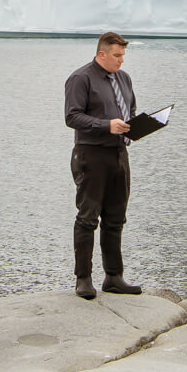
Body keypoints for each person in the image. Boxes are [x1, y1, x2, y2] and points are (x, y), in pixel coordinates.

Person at [64, 31, 141, 300]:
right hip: (91, 154)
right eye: (117, 55)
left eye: (123, 55)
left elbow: (130, 111)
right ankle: (83, 279)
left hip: (119, 154)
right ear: (101, 54)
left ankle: (114, 277)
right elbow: (72, 117)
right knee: (87, 218)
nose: (121, 60)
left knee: (116, 217)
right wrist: (105, 125)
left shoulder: (124, 78)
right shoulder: (81, 78)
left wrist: (137, 126)